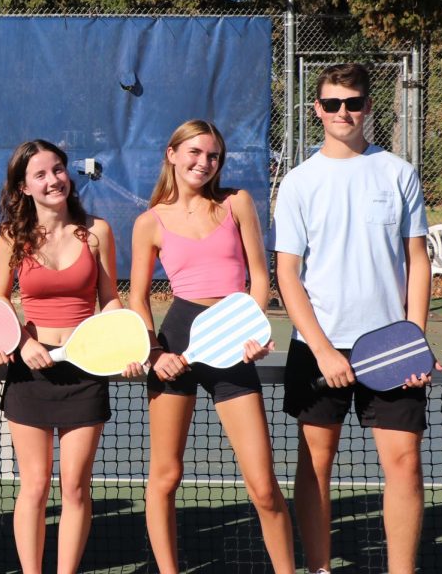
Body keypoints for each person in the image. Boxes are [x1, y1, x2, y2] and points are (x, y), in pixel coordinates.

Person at [273, 63, 433, 574]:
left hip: (393, 352)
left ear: (368, 107)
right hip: (318, 351)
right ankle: (319, 568)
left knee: (405, 466)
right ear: (317, 109)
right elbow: (288, 275)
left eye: (354, 102)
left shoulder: (398, 173)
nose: (344, 112)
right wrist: (322, 349)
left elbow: (418, 262)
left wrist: (415, 343)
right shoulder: (299, 183)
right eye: (333, 103)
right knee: (315, 466)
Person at [128, 119, 294, 574]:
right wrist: (154, 353)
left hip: (233, 347)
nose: (204, 163)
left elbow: (260, 277)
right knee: (165, 477)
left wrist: (255, 331)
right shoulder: (149, 223)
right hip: (177, 343)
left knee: (262, 485)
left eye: (213, 155)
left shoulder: (236, 203)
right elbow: (137, 297)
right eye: (195, 153)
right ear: (173, 154)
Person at [0, 139, 138, 574]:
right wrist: (22, 342)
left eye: (58, 169)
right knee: (34, 486)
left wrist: (127, 343)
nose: (54, 179)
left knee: (75, 487)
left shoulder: (97, 232)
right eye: (40, 174)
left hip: (85, 370)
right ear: (23, 186)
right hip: (30, 372)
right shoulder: (11, 236)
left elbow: (110, 299)